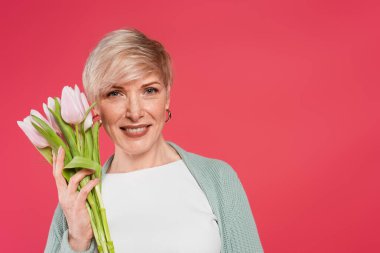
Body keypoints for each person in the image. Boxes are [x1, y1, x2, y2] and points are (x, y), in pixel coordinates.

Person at [44, 28, 264, 253]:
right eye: (115, 93)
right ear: (94, 105)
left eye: (149, 90)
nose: (135, 112)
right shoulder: (78, 198)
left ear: (167, 97)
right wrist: (77, 242)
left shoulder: (218, 180)